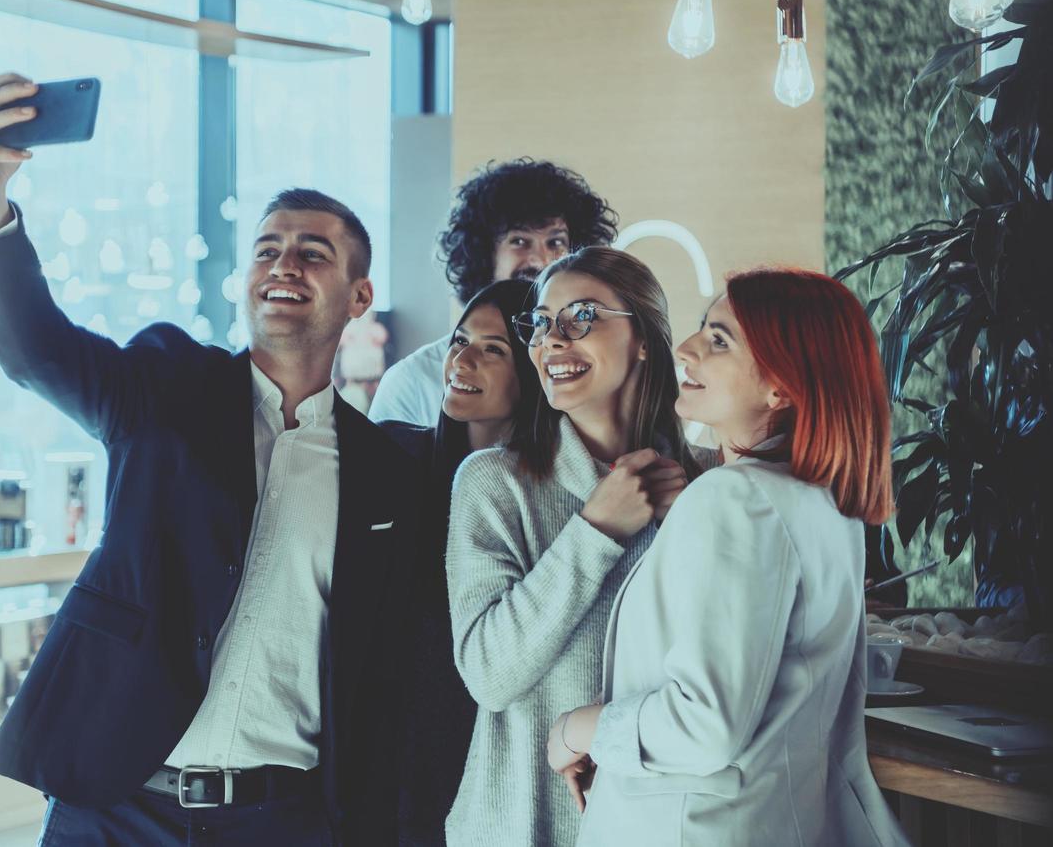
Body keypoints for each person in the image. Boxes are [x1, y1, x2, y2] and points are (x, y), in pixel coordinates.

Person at [0, 73, 421, 845]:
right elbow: (40, 351)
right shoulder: (167, 386)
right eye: (267, 249)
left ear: (359, 296)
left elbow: (386, 666)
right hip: (118, 805)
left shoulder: (386, 472)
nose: (284, 264)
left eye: (313, 252)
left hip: (283, 820)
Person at [548, 268, 911, 847]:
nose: (687, 349)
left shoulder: (733, 496)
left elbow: (705, 724)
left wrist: (577, 730)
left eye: (719, 340)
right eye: (700, 331)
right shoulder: (824, 504)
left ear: (782, 388)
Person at [445, 247, 698, 846]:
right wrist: (596, 529)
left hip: (662, 823)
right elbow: (489, 675)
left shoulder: (705, 486)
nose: (551, 340)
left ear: (643, 338)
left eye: (580, 315)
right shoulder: (492, 482)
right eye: (540, 323)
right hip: (519, 825)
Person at [380, 279, 540, 846]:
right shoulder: (394, 459)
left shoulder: (550, 498)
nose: (462, 359)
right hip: (392, 762)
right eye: (459, 339)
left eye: (493, 349)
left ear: (533, 366)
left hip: (498, 769)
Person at [368, 159, 618, 426]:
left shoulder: (585, 370)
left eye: (555, 242)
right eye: (519, 241)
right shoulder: (415, 381)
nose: (541, 260)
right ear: (484, 254)